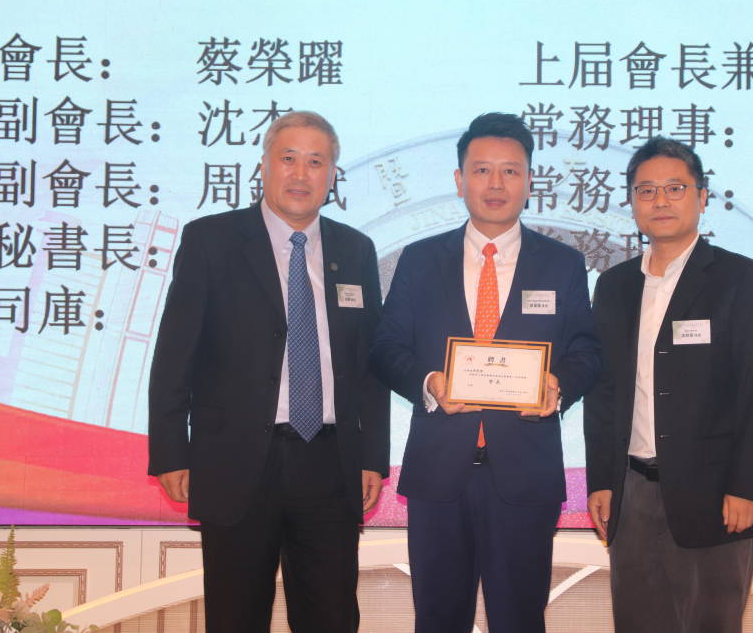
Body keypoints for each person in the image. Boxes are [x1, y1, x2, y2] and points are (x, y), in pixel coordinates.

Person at [147, 111, 390, 633]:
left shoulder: (355, 250)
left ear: (332, 175)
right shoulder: (211, 240)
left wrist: (373, 456)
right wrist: (170, 451)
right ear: (263, 166)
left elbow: (368, 365)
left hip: (329, 462)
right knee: (235, 618)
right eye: (288, 159)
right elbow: (174, 354)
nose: (301, 174)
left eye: (316, 162)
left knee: (331, 618)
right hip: (235, 461)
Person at [370, 112, 601, 633]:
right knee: (437, 619)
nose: (496, 184)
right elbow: (386, 347)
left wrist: (560, 384)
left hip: (525, 474)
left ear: (529, 181)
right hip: (438, 473)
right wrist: (429, 384)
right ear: (459, 180)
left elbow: (586, 350)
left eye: (510, 171)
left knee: (519, 619)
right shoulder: (419, 260)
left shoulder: (562, 264)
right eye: (481, 170)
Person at [584, 137, 753, 633]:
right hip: (632, 491)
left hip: (716, 493)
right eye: (646, 190)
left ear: (702, 196)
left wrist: (747, 487)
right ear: (632, 202)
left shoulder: (739, 278)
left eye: (675, 188)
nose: (660, 201)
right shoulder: (614, 285)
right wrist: (602, 480)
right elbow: (603, 392)